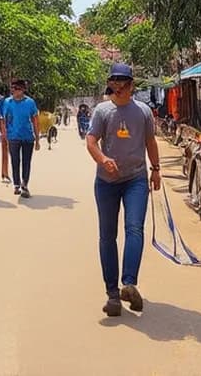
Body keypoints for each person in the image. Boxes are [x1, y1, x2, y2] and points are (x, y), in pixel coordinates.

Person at [86, 63, 160, 317]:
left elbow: (150, 140)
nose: (117, 86)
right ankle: (113, 294)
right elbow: (92, 140)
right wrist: (102, 159)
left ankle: (129, 283)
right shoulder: (102, 111)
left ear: (131, 85)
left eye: (122, 81)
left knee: (134, 228)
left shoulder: (143, 112)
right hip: (106, 182)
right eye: (113, 81)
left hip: (135, 179)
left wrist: (157, 169)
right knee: (107, 236)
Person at [1, 78, 40, 198]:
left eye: (17, 88)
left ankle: (25, 185)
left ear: (23, 89)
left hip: (28, 137)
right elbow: (4, 119)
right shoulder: (7, 102)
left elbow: (35, 120)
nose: (15, 91)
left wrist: (37, 139)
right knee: (15, 160)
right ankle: (16, 184)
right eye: (13, 88)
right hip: (13, 136)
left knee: (26, 162)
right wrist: (4, 134)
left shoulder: (30, 103)